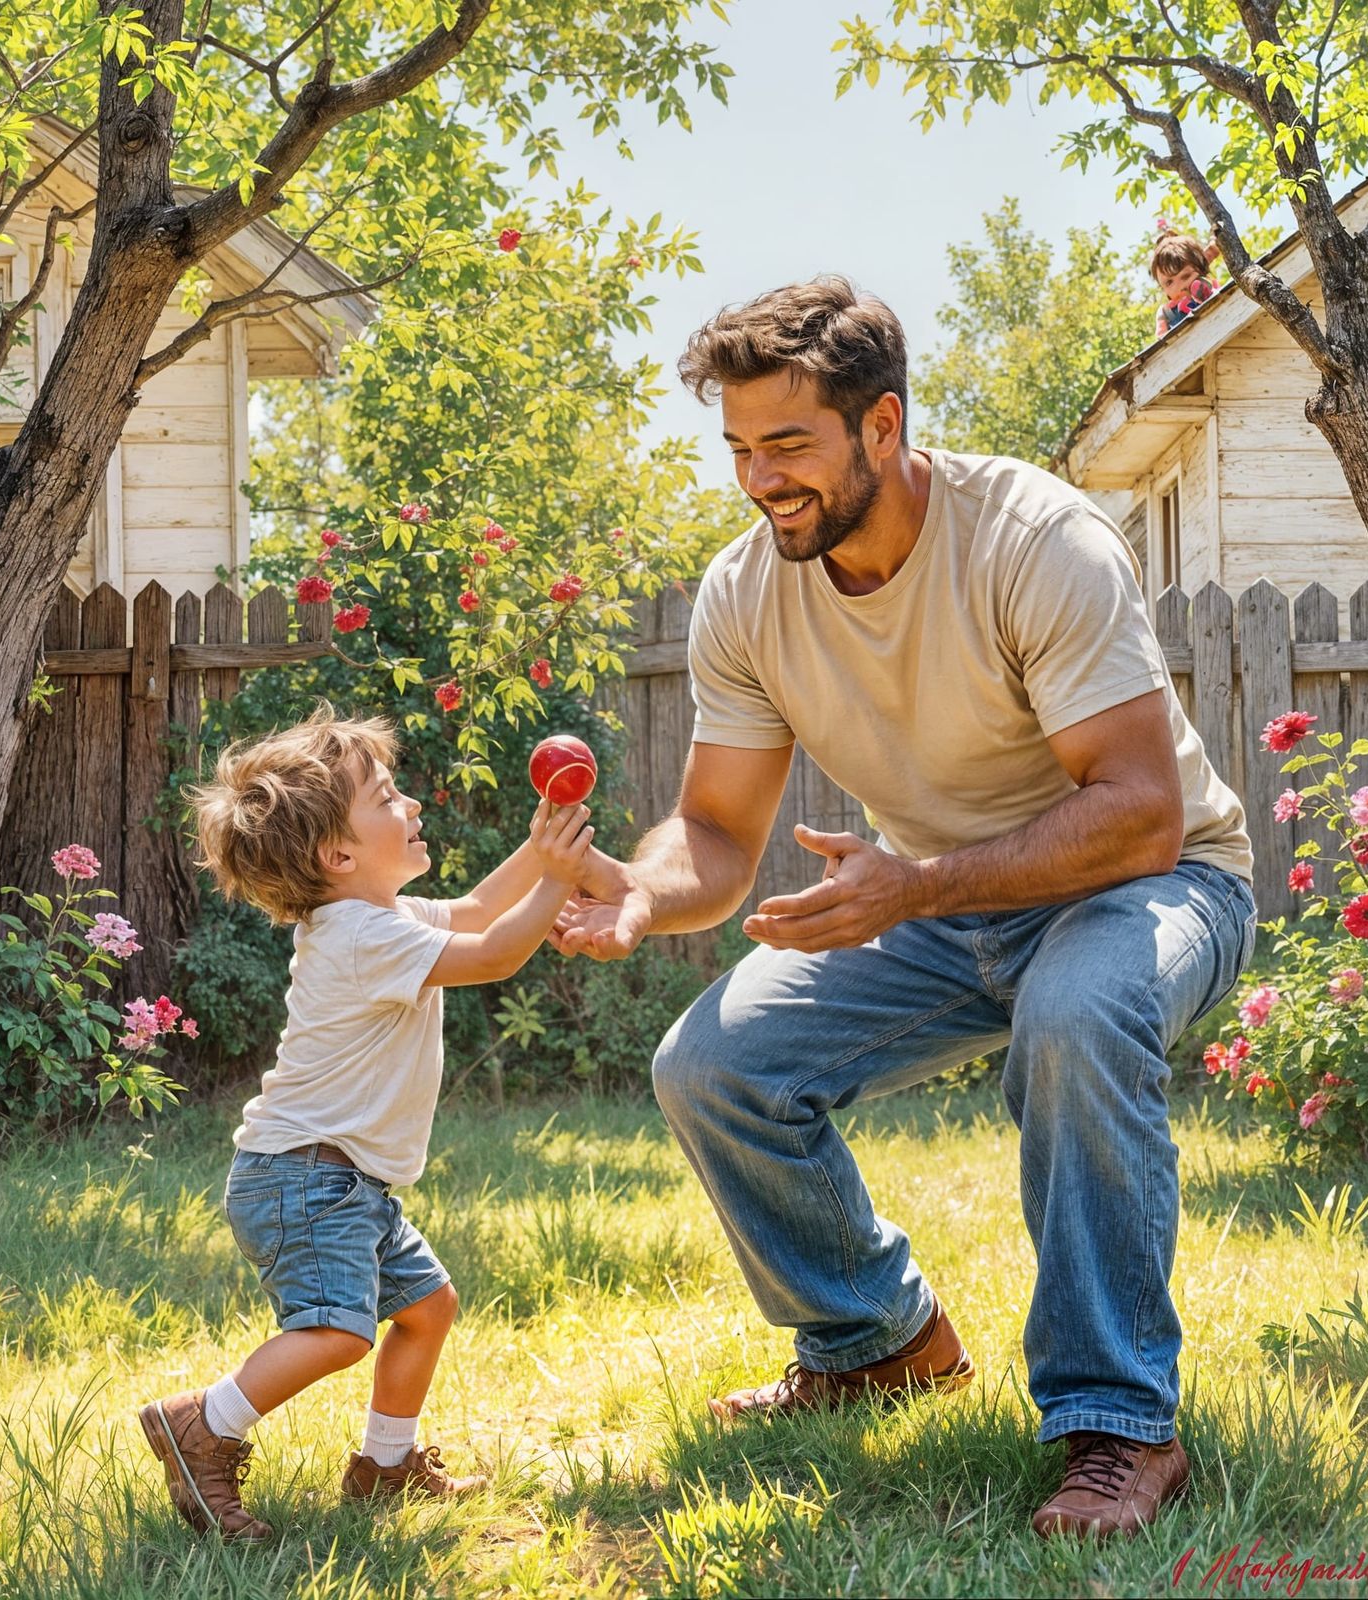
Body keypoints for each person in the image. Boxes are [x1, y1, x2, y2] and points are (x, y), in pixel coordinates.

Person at [551, 277, 1256, 1540]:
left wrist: (917, 886)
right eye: (738, 449)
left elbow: (1141, 807)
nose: (758, 478)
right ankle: (879, 1339)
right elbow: (715, 831)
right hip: (935, 900)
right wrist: (643, 894)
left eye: (787, 445)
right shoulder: (748, 594)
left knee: (1076, 1007)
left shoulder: (1035, 539)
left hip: (1149, 884)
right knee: (711, 1063)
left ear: (881, 429)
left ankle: (1117, 1425)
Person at [138, 704, 611, 1542]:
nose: (414, 807)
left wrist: (542, 856)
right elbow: (497, 951)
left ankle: (384, 1466)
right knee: (335, 1332)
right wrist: (555, 879)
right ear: (339, 855)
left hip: (342, 1179)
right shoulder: (360, 935)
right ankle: (201, 1423)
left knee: (426, 1307)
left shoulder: (381, 919)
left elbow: (474, 912)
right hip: (305, 1178)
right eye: (390, 798)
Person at [1150, 225, 1221, 337]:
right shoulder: (1166, 313)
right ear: (1163, 289)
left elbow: (1211, 252)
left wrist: (1215, 238)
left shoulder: (1208, 288)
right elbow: (1161, 339)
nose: (1180, 286)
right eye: (1169, 282)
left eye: (1186, 276)